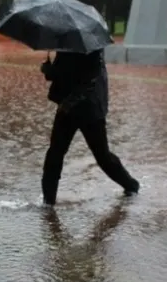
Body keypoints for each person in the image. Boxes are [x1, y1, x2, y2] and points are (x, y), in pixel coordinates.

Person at [39, 49, 139, 206]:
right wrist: (48, 70)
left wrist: (70, 102)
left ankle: (131, 185)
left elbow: (91, 78)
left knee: (102, 156)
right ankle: (48, 201)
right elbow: (60, 74)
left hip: (90, 110)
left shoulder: (91, 49)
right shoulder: (65, 45)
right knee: (55, 153)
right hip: (67, 108)